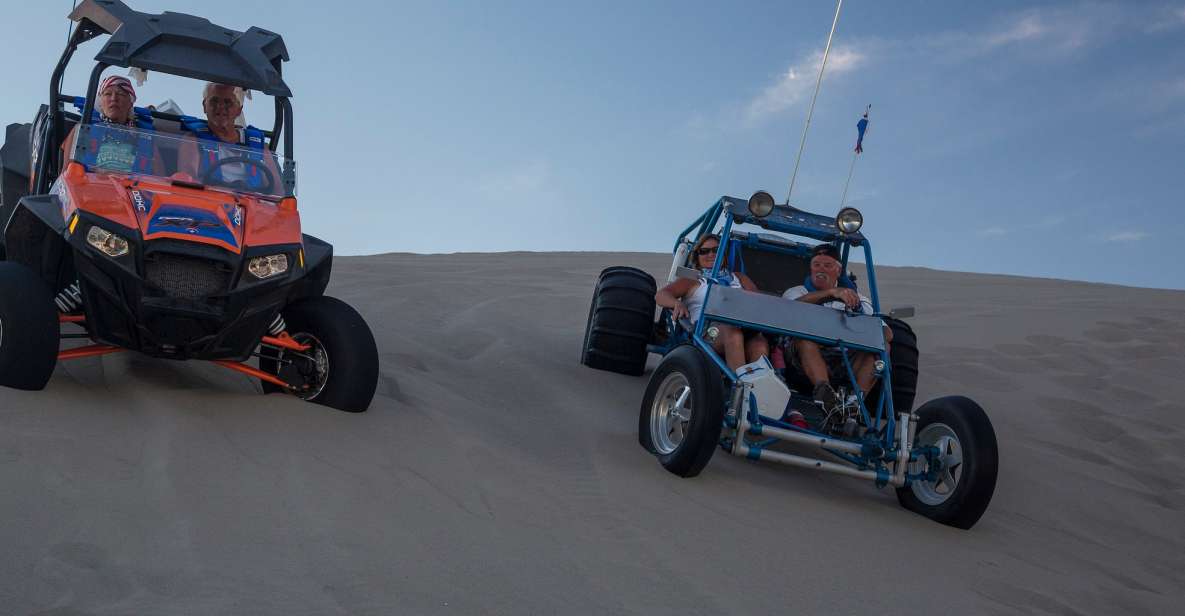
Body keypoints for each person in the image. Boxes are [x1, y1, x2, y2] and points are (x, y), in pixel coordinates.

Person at [782, 243, 892, 409]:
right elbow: (791, 309)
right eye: (816, 265)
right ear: (810, 268)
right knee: (805, 340)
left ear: (838, 271)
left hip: (845, 358)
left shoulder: (858, 299)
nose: (821, 269)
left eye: (827, 265)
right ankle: (825, 395)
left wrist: (860, 322)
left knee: (881, 347)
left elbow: (886, 332)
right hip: (801, 359)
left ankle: (855, 402)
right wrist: (831, 293)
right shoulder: (797, 292)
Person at [655, 234, 769, 371]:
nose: (711, 254)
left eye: (716, 250)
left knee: (759, 343)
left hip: (743, 326)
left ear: (724, 254)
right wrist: (676, 303)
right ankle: (740, 386)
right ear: (697, 256)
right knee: (732, 332)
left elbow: (760, 302)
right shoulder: (693, 279)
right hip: (707, 331)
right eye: (704, 251)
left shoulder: (739, 277)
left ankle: (757, 388)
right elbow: (661, 295)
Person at [178, 82, 275, 192]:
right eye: (214, 101)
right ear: (205, 106)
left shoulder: (259, 146)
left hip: (252, 205)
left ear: (238, 110)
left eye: (228, 102)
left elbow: (278, 192)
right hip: (210, 203)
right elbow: (187, 182)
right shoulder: (193, 139)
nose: (220, 107)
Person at [61, 75, 156, 174]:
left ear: (130, 103)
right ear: (100, 102)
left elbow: (159, 179)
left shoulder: (146, 136)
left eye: (121, 94)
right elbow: (66, 172)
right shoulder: (84, 128)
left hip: (132, 187)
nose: (114, 98)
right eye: (107, 94)